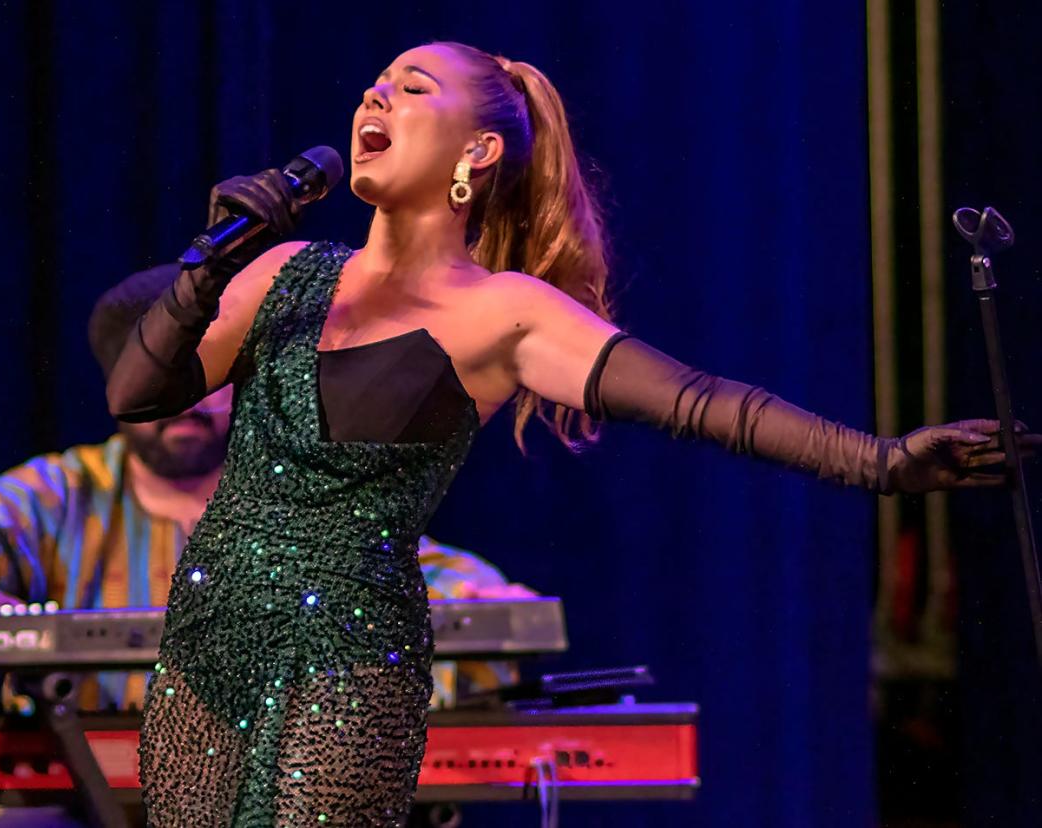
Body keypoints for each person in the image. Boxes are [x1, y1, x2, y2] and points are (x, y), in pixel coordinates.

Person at [109, 41, 1028, 826]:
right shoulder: (281, 270)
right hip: (204, 646)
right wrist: (205, 269)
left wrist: (882, 462)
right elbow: (138, 393)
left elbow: (703, 400)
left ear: (479, 149)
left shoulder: (503, 312)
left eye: (413, 86)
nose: (375, 95)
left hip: (345, 663)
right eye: (375, 84)